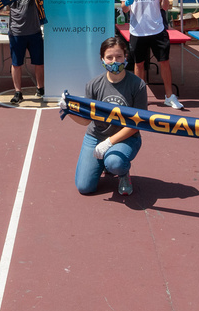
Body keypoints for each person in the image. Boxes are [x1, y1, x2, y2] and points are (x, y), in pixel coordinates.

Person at [60, 35, 147, 196]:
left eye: (119, 56)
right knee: (84, 187)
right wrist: (68, 110)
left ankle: (122, 172)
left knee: (115, 162)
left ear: (125, 57)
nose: (115, 61)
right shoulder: (93, 85)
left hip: (126, 137)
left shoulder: (138, 85)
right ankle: (106, 162)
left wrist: (109, 142)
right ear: (102, 59)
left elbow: (137, 124)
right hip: (96, 136)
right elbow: (86, 120)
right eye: (109, 57)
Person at [120, 0, 182, 109]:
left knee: (164, 62)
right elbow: (124, 9)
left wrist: (164, 0)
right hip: (137, 30)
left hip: (157, 29)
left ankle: (169, 96)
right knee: (139, 64)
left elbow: (166, 7)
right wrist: (126, 4)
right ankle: (140, 98)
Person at [0, 0, 45, 104]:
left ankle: (40, 88)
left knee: (39, 62)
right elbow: (1, 8)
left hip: (34, 29)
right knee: (16, 64)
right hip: (16, 31)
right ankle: (18, 92)